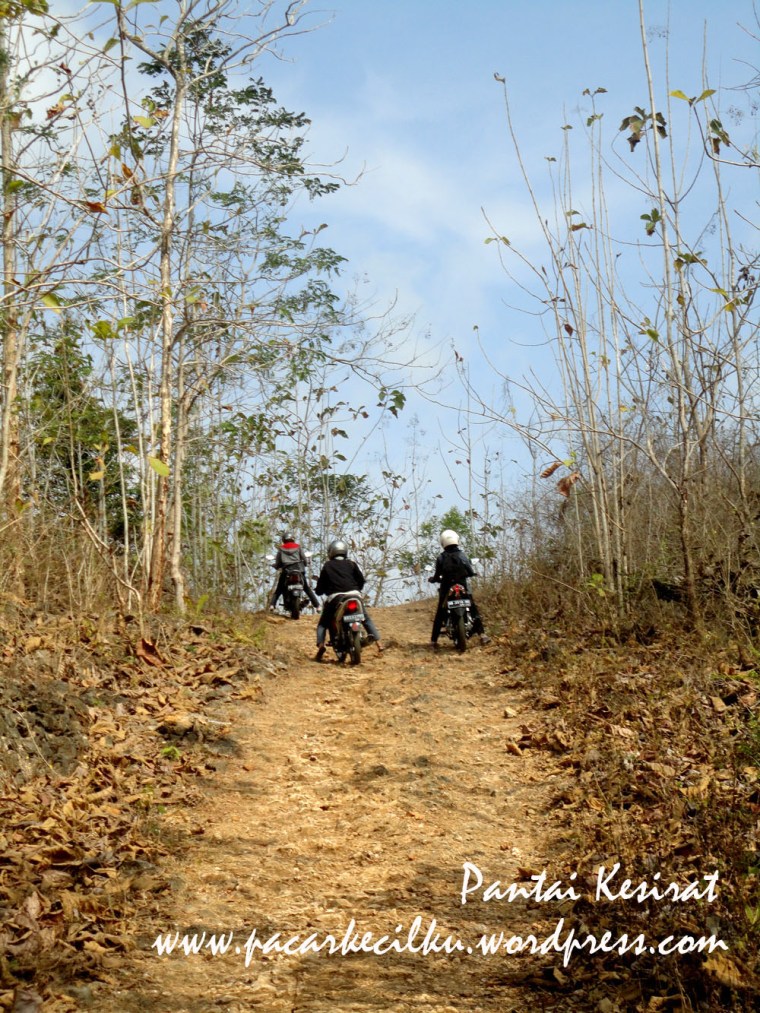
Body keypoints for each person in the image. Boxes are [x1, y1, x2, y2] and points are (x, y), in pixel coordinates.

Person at [314, 539, 383, 660]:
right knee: (365, 619)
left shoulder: (327, 566)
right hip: (355, 595)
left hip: (336, 598)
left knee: (323, 624)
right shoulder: (352, 564)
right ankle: (379, 643)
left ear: (331, 552)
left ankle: (320, 645)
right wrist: (356, 589)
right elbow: (361, 580)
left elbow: (320, 587)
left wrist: (320, 591)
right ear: (345, 551)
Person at [428, 529, 490, 649]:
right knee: (473, 609)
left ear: (442, 542)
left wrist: (433, 579)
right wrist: (472, 574)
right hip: (463, 586)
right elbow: (469, 568)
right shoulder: (462, 555)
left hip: (446, 588)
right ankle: (483, 635)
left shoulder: (441, 558)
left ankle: (433, 641)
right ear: (456, 539)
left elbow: (436, 575)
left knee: (440, 613)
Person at [269, 532, 320, 610]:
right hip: (299, 570)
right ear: (293, 539)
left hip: (286, 571)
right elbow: (304, 558)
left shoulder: (281, 549)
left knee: (279, 589)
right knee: (306, 588)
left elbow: (278, 562)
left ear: (283, 540)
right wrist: (305, 564)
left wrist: (276, 566)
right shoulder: (298, 547)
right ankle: (317, 606)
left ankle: (272, 605)